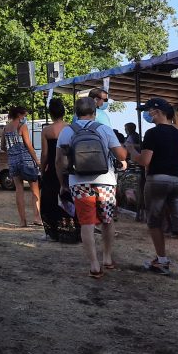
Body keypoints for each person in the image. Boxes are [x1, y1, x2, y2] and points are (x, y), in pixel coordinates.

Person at [129, 97, 178, 283]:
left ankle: (162, 261)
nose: (148, 114)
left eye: (149, 111)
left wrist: (132, 152)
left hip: (158, 180)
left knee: (155, 222)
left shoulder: (152, 134)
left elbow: (145, 161)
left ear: (158, 112)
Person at [56, 97, 127, 278]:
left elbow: (59, 161)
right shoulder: (104, 129)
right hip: (106, 181)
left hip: (79, 182)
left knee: (87, 223)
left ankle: (94, 265)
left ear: (75, 113)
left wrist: (63, 184)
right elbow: (121, 154)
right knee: (107, 220)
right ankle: (108, 258)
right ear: (95, 113)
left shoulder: (67, 132)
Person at [3, 107, 42, 227]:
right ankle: (37, 217)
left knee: (19, 190)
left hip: (13, 161)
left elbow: (3, 146)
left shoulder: (5, 128)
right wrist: (37, 160)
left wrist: (12, 152)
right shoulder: (22, 126)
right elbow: (29, 146)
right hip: (26, 160)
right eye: (24, 115)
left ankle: (22, 220)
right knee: (35, 189)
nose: (25, 117)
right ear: (19, 115)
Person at [38, 98, 70, 241]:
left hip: (52, 168)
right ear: (63, 112)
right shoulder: (70, 128)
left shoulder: (47, 131)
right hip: (68, 168)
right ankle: (70, 229)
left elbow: (44, 154)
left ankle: (52, 232)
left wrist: (41, 169)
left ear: (50, 114)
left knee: (49, 200)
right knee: (68, 199)